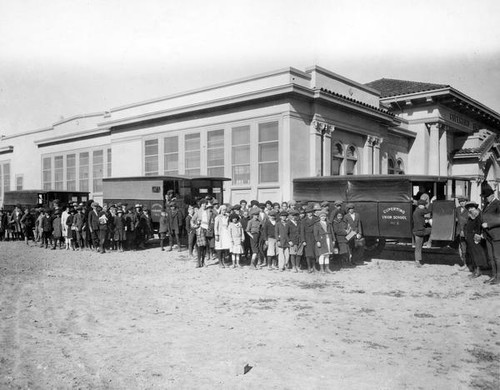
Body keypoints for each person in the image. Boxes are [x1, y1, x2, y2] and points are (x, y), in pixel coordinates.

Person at [463, 201, 489, 278]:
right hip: (470, 237)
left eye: (472, 207)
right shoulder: (470, 216)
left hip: (475, 237)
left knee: (477, 254)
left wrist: (477, 237)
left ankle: (478, 271)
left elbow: (479, 227)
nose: (470, 209)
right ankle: (474, 270)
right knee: (472, 254)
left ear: (475, 208)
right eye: (469, 208)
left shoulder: (478, 216)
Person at [480, 187, 500, 285]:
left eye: (486, 197)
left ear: (492, 195)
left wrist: (489, 224)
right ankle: (493, 276)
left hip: (496, 235)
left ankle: (498, 277)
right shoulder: (488, 204)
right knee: (491, 257)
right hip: (488, 235)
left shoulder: (498, 203)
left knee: (497, 257)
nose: (485, 198)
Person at [412, 199, 432, 267]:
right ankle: (429, 242)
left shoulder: (416, 211)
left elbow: (419, 219)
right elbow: (428, 211)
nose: (424, 207)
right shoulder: (420, 210)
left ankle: (417, 261)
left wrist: (424, 221)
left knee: (418, 247)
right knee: (433, 230)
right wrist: (431, 202)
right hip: (421, 231)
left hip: (416, 231)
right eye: (424, 205)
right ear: (421, 205)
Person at [301, 206, 319, 273]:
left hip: (314, 236)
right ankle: (309, 267)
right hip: (307, 237)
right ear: (306, 213)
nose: (309, 213)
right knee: (308, 254)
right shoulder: (303, 220)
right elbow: (302, 231)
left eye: (310, 212)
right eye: (308, 212)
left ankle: (314, 267)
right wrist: (303, 240)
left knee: (314, 253)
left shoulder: (316, 219)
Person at [455, 197, 470, 271]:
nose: (462, 203)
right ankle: (465, 264)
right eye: (460, 202)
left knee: (469, 249)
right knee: (462, 248)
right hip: (459, 231)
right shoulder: (457, 209)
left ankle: (470, 265)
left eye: (463, 201)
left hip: (467, 232)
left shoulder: (469, 209)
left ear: (466, 201)